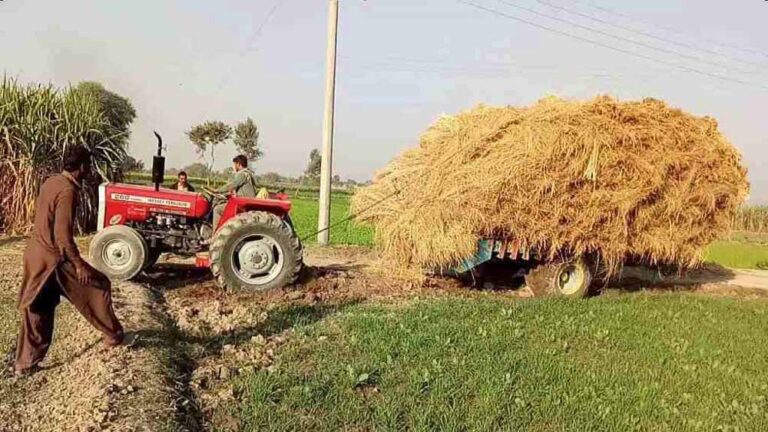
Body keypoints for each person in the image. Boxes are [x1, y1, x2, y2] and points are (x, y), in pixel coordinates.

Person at [13, 146, 124, 377]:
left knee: (38, 306)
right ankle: (113, 334)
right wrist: (79, 265)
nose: (89, 171)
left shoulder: (50, 182)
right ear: (82, 167)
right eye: (88, 167)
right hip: (54, 260)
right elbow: (63, 237)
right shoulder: (68, 191)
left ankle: (25, 364)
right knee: (98, 284)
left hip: (35, 255)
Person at [212, 155, 259, 229]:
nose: (234, 167)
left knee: (217, 209)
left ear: (238, 164)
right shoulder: (249, 174)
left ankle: (215, 234)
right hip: (245, 201)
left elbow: (232, 185)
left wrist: (217, 190)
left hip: (243, 204)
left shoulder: (243, 174)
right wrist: (225, 194)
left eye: (234, 164)